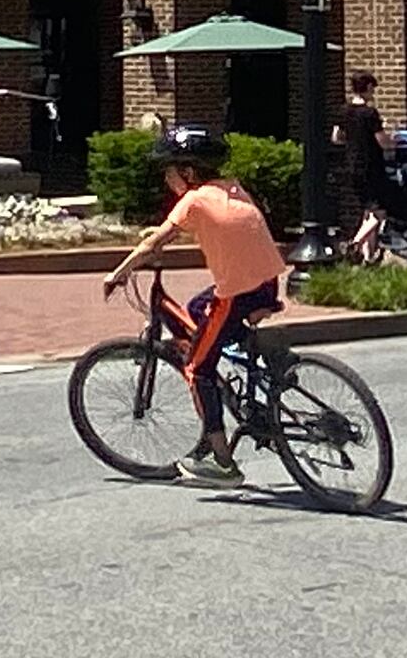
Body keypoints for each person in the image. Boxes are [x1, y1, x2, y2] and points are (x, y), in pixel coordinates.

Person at [99, 125, 285, 489]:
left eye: (169, 171)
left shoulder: (194, 200)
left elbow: (155, 243)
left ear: (188, 172)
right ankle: (238, 353)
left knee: (197, 368)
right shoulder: (232, 187)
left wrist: (118, 274)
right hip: (265, 284)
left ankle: (223, 464)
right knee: (199, 307)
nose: (167, 178)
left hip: (237, 295)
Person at [333, 71, 389, 262]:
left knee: (367, 211)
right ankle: (355, 243)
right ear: (367, 88)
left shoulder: (344, 111)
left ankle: (369, 256)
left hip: (351, 165)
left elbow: (336, 137)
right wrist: (394, 141)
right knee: (379, 213)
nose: (373, 92)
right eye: (372, 88)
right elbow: (382, 141)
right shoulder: (369, 113)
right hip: (370, 166)